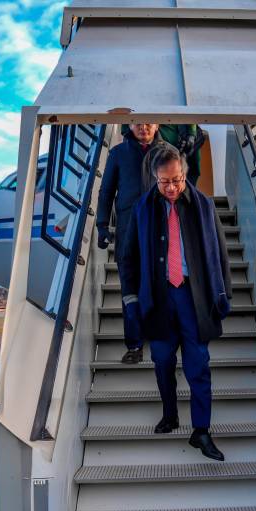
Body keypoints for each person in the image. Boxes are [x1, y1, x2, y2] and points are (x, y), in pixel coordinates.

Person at [119, 145, 232, 461]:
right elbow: (128, 257)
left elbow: (220, 253)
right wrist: (131, 300)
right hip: (159, 298)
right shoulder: (142, 208)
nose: (172, 187)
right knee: (163, 361)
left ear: (184, 174)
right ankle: (170, 414)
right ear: (155, 177)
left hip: (193, 297)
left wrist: (224, 293)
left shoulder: (203, 206)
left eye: (178, 180)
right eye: (165, 181)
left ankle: (202, 431)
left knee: (199, 365)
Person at [96, 123, 169, 363]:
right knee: (130, 291)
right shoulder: (118, 153)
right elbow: (106, 192)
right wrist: (102, 225)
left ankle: (160, 337)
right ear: (130, 125)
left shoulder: (168, 152)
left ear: (157, 124)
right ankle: (135, 345)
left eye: (149, 122)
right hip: (128, 232)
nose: (144, 127)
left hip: (161, 231)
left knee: (161, 287)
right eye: (139, 122)